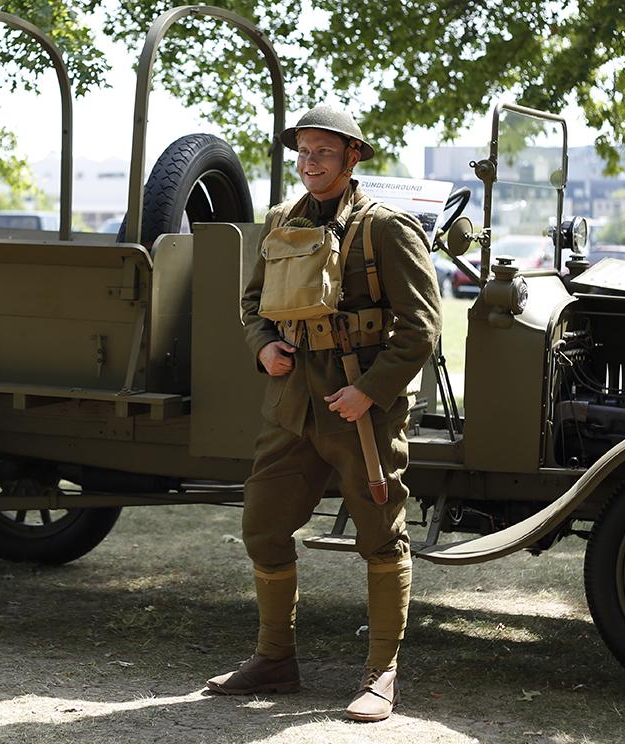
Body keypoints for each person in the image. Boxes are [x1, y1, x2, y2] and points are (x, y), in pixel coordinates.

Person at [204, 104, 441, 722]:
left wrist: (373, 391)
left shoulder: (385, 228)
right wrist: (264, 346)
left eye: (324, 154)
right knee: (262, 524)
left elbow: (421, 329)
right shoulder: (283, 220)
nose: (310, 164)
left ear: (352, 157)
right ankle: (274, 659)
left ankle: (381, 673)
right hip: (291, 405)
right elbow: (252, 302)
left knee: (380, 535)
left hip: (361, 407)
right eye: (303, 153)